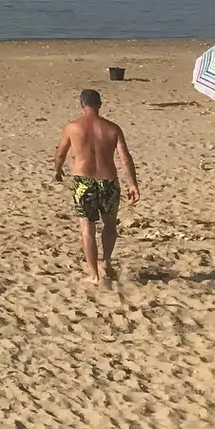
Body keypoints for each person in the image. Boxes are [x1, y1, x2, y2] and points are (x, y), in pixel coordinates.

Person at [51, 89, 140, 286]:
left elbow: (61, 153)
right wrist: (132, 183)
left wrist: (57, 170)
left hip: (84, 182)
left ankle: (93, 274)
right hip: (109, 181)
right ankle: (106, 261)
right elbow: (125, 158)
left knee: (87, 228)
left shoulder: (72, 127)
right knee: (109, 224)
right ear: (100, 105)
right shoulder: (112, 128)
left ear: (82, 105)